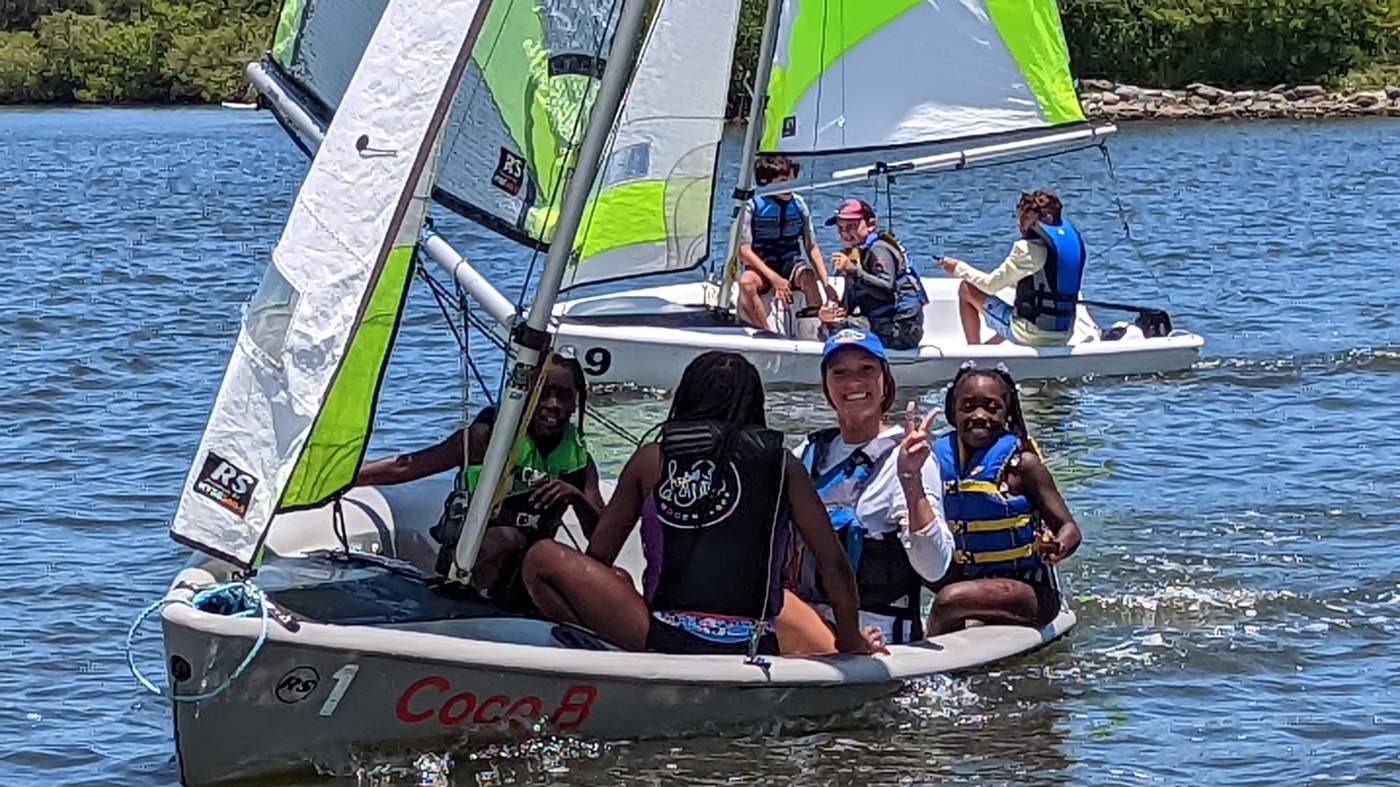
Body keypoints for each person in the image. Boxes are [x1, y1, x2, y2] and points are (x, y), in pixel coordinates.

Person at [521, 351, 884, 656]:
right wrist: (849, 639)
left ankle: (602, 655)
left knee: (542, 557)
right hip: (756, 641)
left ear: (688, 397)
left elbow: (599, 555)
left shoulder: (652, 460)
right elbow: (833, 561)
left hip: (666, 638)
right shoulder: (783, 465)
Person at [355, 354, 604, 605]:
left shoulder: (578, 458)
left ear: (576, 402)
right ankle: (466, 604)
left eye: (564, 396)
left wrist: (576, 497)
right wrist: (346, 479)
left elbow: (602, 537)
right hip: (473, 559)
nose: (553, 404)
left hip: (530, 567)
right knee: (509, 540)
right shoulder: (488, 437)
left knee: (568, 564)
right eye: (544, 393)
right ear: (528, 394)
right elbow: (408, 466)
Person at [776, 328, 955, 654]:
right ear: (826, 387)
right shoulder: (809, 453)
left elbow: (935, 567)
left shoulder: (910, 457)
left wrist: (910, 480)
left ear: (885, 381)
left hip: (877, 636)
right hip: (804, 627)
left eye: (866, 370)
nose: (853, 382)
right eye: (839, 373)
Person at [926, 363, 1083, 635]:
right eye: (967, 406)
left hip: (1030, 591)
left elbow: (1069, 529)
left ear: (1007, 412)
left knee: (949, 600)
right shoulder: (936, 461)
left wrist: (1057, 546)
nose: (978, 415)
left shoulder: (1023, 466)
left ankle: (935, 669)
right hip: (969, 577)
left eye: (991, 407)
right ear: (952, 411)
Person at [939, 190, 1086, 346]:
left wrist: (958, 268)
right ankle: (989, 347)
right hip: (1064, 333)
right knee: (1018, 300)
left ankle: (975, 355)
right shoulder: (1070, 242)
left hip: (1032, 334)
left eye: (1023, 217)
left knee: (967, 289)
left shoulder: (1027, 249)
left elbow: (990, 286)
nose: (1019, 223)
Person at [736, 155, 838, 330]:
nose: (789, 186)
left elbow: (811, 247)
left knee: (807, 275)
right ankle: (765, 332)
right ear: (768, 183)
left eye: (792, 180)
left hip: (789, 262)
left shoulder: (799, 204)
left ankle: (817, 329)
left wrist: (827, 284)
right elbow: (744, 251)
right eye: (784, 181)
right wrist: (774, 278)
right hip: (762, 265)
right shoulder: (752, 206)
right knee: (746, 282)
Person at [822, 199, 926, 350]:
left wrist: (853, 271)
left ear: (871, 225)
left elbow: (886, 290)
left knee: (839, 330)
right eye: (840, 228)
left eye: (851, 227)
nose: (845, 234)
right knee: (830, 324)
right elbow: (850, 304)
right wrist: (832, 311)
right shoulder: (856, 255)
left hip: (900, 330)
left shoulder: (878, 250)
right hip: (880, 320)